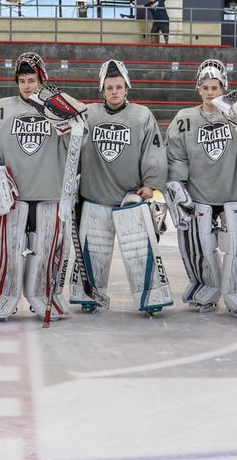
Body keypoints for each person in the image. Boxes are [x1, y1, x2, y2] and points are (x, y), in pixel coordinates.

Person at [0, 52, 71, 321]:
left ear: (42, 80)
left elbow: (76, 146)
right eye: (22, 81)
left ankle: (45, 296)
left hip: (48, 194)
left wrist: (71, 121)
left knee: (46, 252)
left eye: (32, 80)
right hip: (11, 198)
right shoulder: (0, 110)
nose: (27, 86)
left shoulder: (59, 109)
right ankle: (2, 297)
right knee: (7, 253)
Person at [73, 59, 171, 315]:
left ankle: (151, 298)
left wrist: (151, 185)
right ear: (102, 90)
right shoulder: (87, 114)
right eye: (109, 87)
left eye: (119, 87)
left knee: (140, 254)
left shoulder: (142, 115)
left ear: (127, 88)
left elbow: (153, 151)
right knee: (93, 253)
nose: (114, 91)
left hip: (131, 199)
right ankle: (89, 295)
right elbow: (73, 150)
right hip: (95, 197)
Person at [165, 60, 237, 316]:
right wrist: (177, 184)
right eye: (205, 87)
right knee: (199, 248)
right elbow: (176, 156)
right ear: (198, 89)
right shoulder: (184, 119)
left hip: (235, 194)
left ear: (223, 89)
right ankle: (205, 288)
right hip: (200, 195)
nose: (210, 92)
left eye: (214, 87)